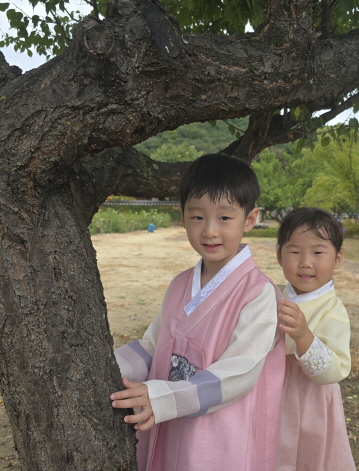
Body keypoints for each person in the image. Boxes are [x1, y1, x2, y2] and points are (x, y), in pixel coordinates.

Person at [110, 153, 285, 471]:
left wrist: (164, 398)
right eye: (197, 217)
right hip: (166, 417)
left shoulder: (259, 294)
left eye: (225, 218)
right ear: (183, 216)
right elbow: (152, 347)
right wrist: (107, 369)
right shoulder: (179, 285)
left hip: (219, 434)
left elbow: (240, 372)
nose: (209, 231)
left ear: (250, 219)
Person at [274, 207, 356, 470]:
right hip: (269, 393)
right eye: (295, 252)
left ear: (338, 259)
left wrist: (303, 336)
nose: (305, 262)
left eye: (318, 252)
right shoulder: (270, 297)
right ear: (279, 255)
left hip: (308, 402)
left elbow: (334, 370)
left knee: (303, 456)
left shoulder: (332, 310)